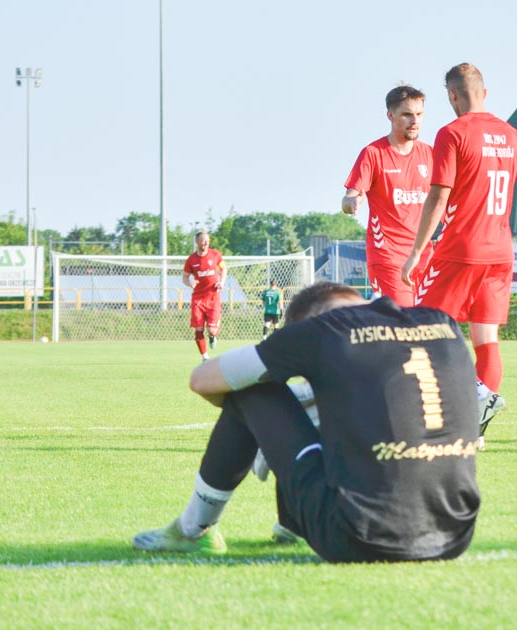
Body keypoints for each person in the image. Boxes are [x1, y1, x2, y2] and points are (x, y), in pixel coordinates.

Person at [133, 281, 480, 563]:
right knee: (347, 405)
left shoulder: (321, 329)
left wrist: (272, 426)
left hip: (355, 537)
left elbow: (203, 379)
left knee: (251, 388)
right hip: (455, 534)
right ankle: (294, 526)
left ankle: (194, 530)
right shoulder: (439, 322)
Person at [400, 62, 517, 442]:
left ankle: (475, 396)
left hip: (459, 250)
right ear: (485, 92)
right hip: (500, 253)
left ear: (453, 95)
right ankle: (474, 430)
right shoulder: (511, 136)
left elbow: (438, 194)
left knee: (422, 332)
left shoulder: (452, 133)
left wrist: (418, 250)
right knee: (486, 339)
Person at [342, 84, 434, 307]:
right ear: (390, 115)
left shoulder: (430, 154)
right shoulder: (373, 154)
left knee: (429, 327)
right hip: (389, 258)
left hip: (425, 256)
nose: (415, 121)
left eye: (419, 114)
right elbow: (348, 198)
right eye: (407, 115)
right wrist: (352, 202)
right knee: (401, 323)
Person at [182, 231, 226, 361]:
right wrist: (190, 283)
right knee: (199, 328)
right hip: (198, 299)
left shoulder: (215, 255)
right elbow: (184, 277)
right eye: (203, 240)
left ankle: (213, 336)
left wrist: (221, 282)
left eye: (207, 240)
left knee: (212, 330)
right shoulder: (191, 260)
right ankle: (204, 357)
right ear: (197, 242)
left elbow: (224, 268)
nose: (206, 243)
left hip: (213, 297)